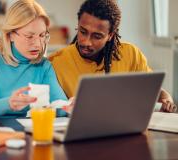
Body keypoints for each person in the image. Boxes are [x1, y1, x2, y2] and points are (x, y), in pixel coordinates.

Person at [49, 0, 177, 113]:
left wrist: (167, 102)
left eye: (97, 36)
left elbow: (157, 92)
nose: (86, 42)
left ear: (110, 35)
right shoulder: (56, 61)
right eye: (83, 32)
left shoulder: (131, 54)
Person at [0, 0, 68, 119]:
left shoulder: (44, 66)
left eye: (42, 35)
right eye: (29, 36)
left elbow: (60, 105)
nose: (37, 44)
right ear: (10, 34)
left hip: (28, 133)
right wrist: (8, 103)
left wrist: (69, 107)